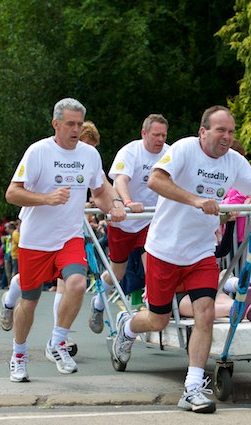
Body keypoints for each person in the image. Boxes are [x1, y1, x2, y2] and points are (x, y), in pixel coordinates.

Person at [111, 105, 251, 414]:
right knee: (158, 319)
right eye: (221, 130)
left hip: (201, 253)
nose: (227, 136)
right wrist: (195, 200)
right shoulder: (183, 149)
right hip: (164, 250)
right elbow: (155, 181)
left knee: (204, 313)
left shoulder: (234, 161)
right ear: (204, 131)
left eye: (231, 131)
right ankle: (127, 328)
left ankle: (193, 386)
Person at [5, 97, 126, 383]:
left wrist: (115, 208)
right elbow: (12, 193)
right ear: (56, 124)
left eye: (79, 124)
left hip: (69, 237)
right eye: (69, 124)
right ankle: (18, 355)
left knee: (77, 283)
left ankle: (57, 342)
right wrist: (46, 198)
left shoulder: (89, 155)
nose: (75, 129)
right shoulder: (38, 151)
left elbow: (99, 191)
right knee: (30, 302)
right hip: (35, 240)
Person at [88, 114, 170, 334]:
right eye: (155, 135)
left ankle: (154, 309)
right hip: (125, 221)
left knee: (152, 263)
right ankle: (98, 304)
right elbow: (120, 180)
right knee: (118, 272)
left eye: (163, 135)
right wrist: (127, 203)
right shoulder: (130, 151)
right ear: (144, 134)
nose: (160, 139)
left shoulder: (169, 153)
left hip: (150, 221)